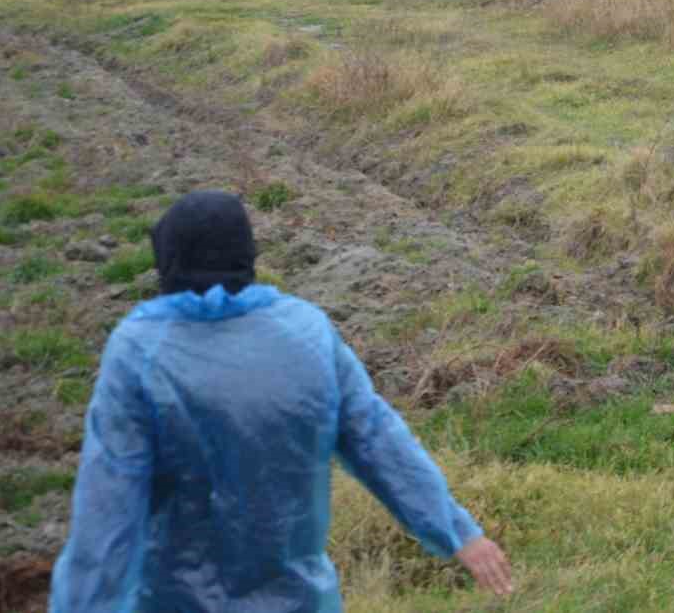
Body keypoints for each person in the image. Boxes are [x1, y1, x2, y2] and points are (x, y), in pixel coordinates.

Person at [49, 190, 514, 612]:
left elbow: (108, 508)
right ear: (248, 254)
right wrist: (458, 532)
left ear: (168, 259)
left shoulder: (140, 351)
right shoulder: (307, 335)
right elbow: (378, 441)